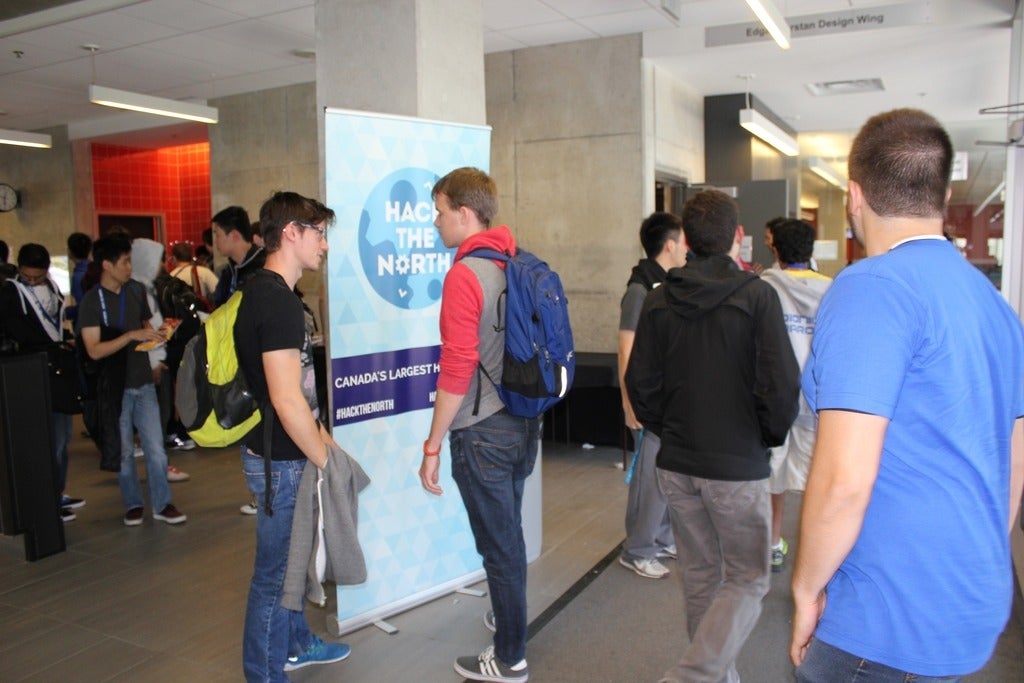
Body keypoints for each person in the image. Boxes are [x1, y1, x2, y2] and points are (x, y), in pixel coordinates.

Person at [790, 108, 1024, 681]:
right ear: (944, 194)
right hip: (970, 600)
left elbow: (845, 479)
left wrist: (804, 589)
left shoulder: (871, 287)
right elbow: (1014, 459)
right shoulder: (995, 305)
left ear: (854, 195)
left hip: (884, 621)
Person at [626, 189, 799, 683]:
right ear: (737, 238)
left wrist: (670, 431)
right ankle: (695, 675)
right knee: (747, 578)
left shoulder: (659, 300)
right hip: (736, 466)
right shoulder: (757, 295)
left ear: (687, 240)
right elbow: (781, 386)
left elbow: (640, 385)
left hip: (677, 465)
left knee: (702, 577)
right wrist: (763, 438)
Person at [418, 167, 540, 683]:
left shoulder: (464, 275)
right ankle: (509, 619)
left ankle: (509, 656)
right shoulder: (516, 262)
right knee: (507, 536)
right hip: (521, 423)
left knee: (499, 546)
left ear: (465, 214)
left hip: (482, 432)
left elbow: (457, 365)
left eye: (440, 211)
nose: (436, 221)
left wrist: (431, 444)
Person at [235, 191, 350, 680]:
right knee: (275, 579)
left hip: (284, 454)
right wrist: (324, 461)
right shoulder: (275, 302)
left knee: (289, 570)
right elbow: (286, 400)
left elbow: (301, 391)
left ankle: (295, 644)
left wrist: (327, 442)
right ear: (291, 233)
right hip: (281, 462)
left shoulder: (271, 293)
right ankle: (265, 672)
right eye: (319, 233)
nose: (324, 244)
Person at [77, 234, 187, 526]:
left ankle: (162, 504)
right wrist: (129, 337)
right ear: (107, 265)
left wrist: (160, 335)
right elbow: (93, 350)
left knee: (156, 450)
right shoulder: (91, 301)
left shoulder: (136, 290)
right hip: (115, 389)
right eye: (125, 261)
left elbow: (146, 327)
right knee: (124, 451)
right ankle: (133, 503)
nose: (130, 267)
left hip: (143, 383)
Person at [758, 219, 832, 572]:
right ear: (811, 250)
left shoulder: (763, 288)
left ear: (775, 249)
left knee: (774, 476)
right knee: (816, 479)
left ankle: (773, 544)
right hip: (817, 402)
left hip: (774, 401)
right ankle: (814, 554)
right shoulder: (833, 290)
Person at [617, 211, 686, 579]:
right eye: (684, 241)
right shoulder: (640, 290)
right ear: (670, 245)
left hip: (665, 397)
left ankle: (658, 538)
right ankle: (638, 548)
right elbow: (625, 349)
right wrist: (629, 403)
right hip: (645, 400)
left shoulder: (668, 284)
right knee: (649, 479)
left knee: (665, 477)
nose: (688, 249)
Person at [0, 243, 85, 521]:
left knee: (61, 438)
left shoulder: (52, 289)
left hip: (56, 371)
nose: (33, 282)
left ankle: (57, 491)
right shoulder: (10, 293)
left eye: (37, 277)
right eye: (28, 277)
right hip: (29, 374)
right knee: (40, 439)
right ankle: (43, 496)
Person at [211, 205, 265, 306]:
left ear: (234, 235)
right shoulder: (229, 270)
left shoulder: (262, 268)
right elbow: (218, 303)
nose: (215, 241)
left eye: (218, 235)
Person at [65, 231, 93, 323]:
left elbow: (83, 307)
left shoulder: (78, 276)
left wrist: (65, 313)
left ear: (70, 251)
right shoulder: (95, 268)